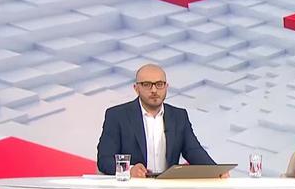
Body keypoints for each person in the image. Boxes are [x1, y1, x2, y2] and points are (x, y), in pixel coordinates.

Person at [96, 64, 226, 178]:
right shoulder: (117, 116)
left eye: (159, 84)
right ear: (136, 88)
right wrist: (129, 170)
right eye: (147, 84)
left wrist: (216, 171)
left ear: (166, 86)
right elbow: (104, 160)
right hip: (133, 188)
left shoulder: (179, 116)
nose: (154, 90)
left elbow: (193, 150)